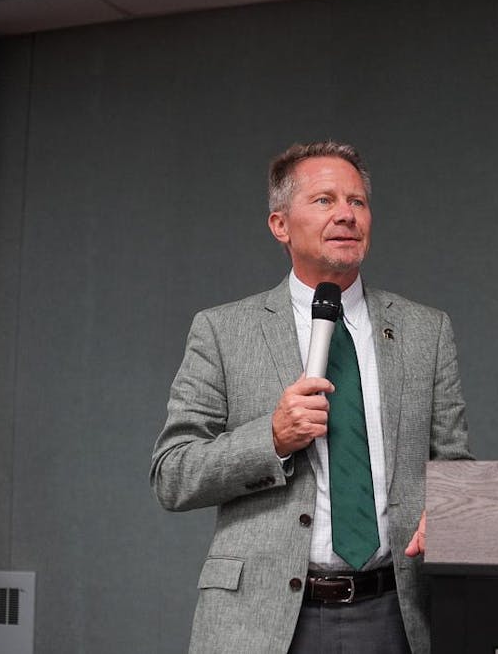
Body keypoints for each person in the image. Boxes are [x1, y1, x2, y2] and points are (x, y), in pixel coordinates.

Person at [150, 140, 472, 653]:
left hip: (396, 615)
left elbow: (453, 463)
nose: (346, 214)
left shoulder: (425, 331)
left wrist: (450, 510)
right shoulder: (223, 331)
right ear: (280, 225)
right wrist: (271, 438)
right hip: (261, 621)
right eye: (324, 200)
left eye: (357, 201)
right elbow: (173, 474)